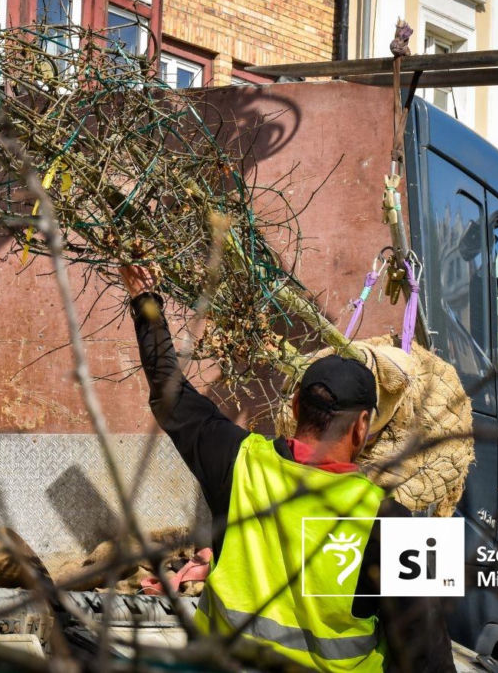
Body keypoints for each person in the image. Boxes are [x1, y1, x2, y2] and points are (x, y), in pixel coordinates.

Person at [120, 265, 456, 672]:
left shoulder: (237, 460)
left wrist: (145, 302)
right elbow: (430, 656)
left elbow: (168, 389)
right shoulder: (401, 525)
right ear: (364, 426)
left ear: (295, 408)